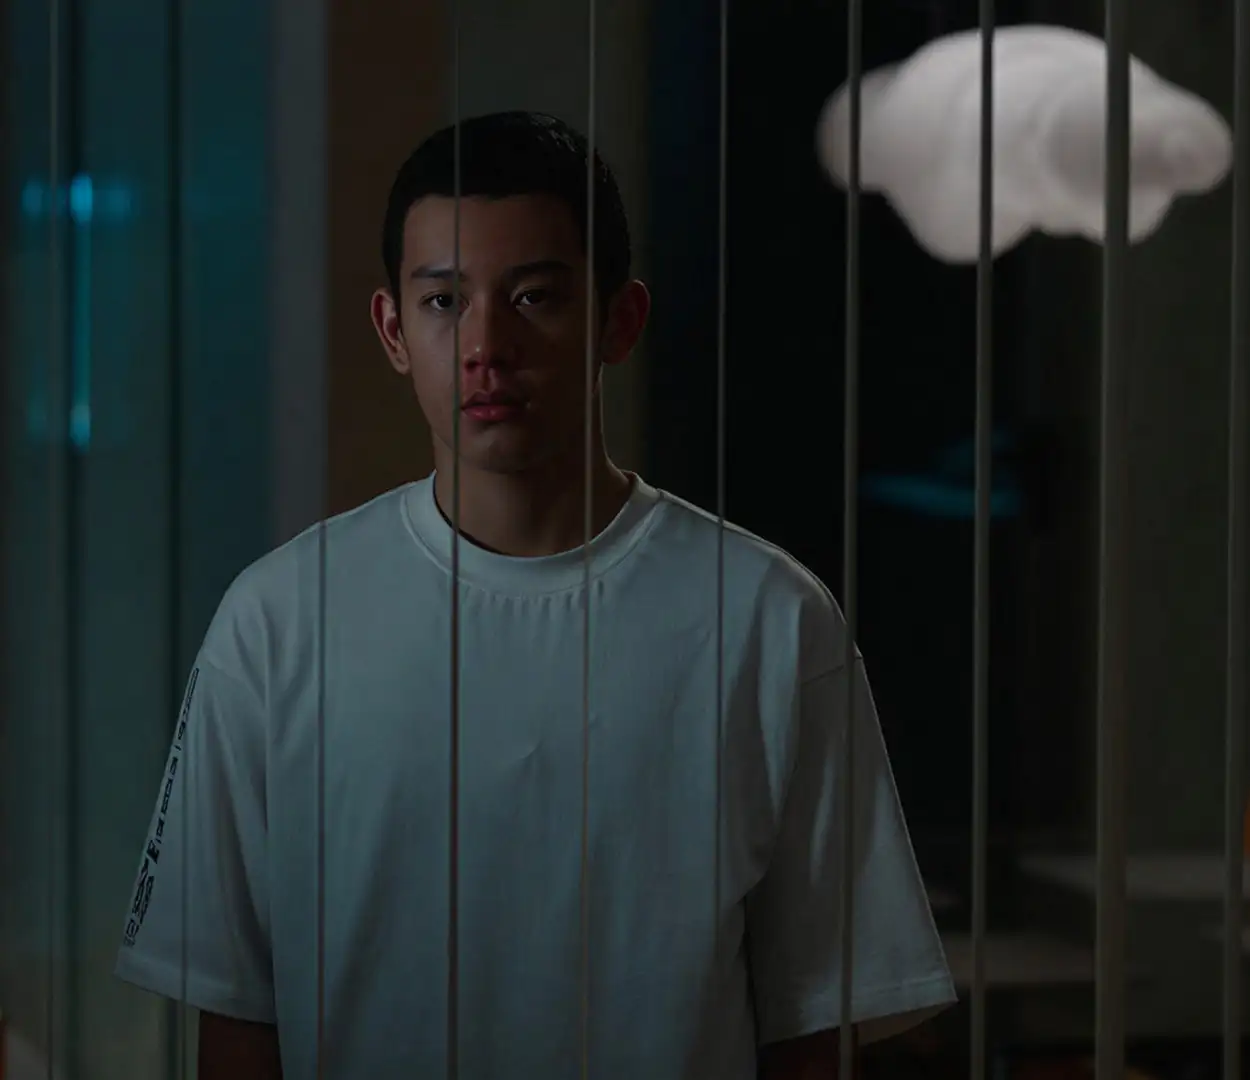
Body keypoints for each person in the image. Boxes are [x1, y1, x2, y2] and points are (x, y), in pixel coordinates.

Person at [113, 111, 954, 1080]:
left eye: (533, 297)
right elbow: (234, 1016)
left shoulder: (768, 619)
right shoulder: (277, 623)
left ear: (618, 320)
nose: (486, 346)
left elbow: (813, 1027)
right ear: (393, 329)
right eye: (444, 301)